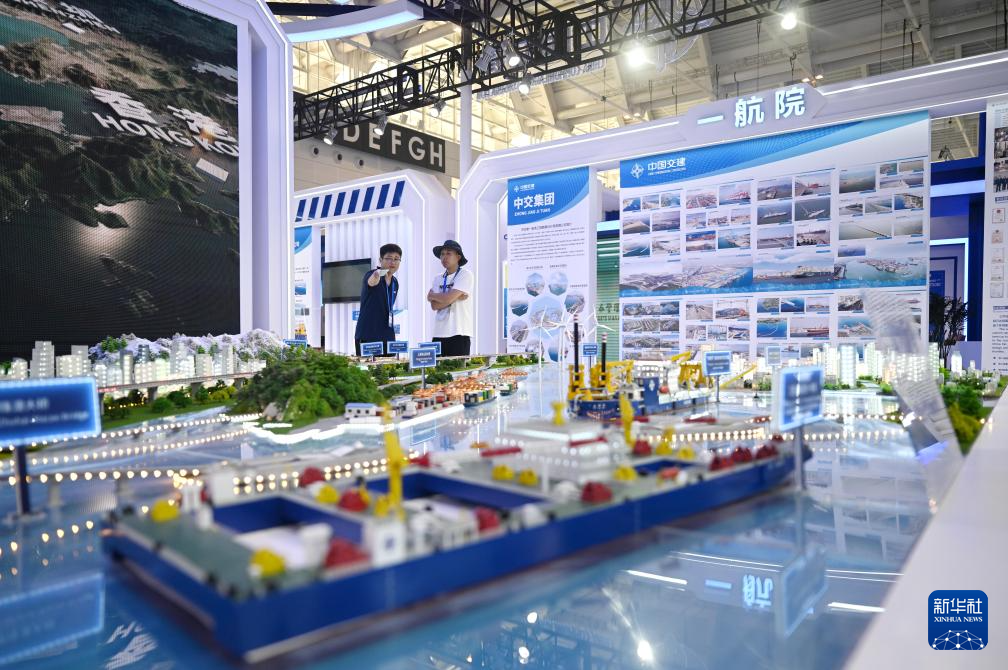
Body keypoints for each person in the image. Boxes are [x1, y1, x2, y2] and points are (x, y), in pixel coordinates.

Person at [427, 239, 473, 356]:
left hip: (459, 333)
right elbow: (434, 305)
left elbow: (446, 299)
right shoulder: (438, 278)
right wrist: (454, 297)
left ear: (458, 257)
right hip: (439, 333)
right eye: (442, 254)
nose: (444, 257)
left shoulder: (465, 274)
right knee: (435, 367)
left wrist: (432, 295)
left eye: (448, 253)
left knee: (459, 368)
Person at [354, 243, 401, 356]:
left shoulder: (395, 282)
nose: (393, 262)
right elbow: (372, 281)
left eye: (396, 259)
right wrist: (377, 275)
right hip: (369, 335)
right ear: (380, 260)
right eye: (389, 258)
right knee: (369, 366)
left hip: (388, 335)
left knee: (390, 366)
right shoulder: (372, 274)